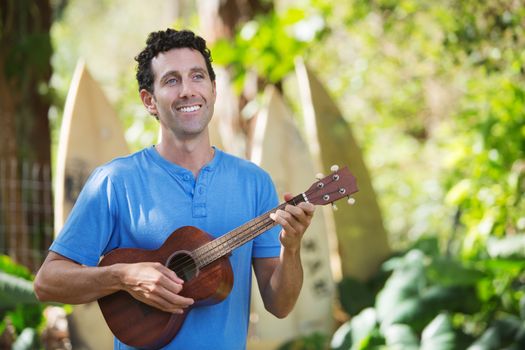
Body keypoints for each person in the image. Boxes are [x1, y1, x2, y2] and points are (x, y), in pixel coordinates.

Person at [34, 28, 315, 350]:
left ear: (212, 89)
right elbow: (47, 283)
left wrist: (290, 248)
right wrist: (123, 277)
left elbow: (280, 306)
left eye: (197, 77)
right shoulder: (115, 181)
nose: (187, 91)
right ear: (148, 100)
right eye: (171, 80)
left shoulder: (254, 182)